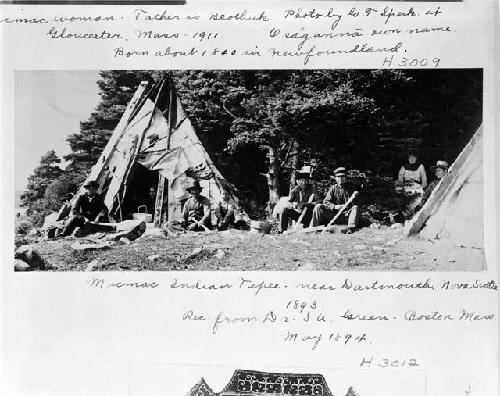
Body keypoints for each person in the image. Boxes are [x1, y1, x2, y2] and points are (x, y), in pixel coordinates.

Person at [309, 167, 359, 234]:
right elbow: (326, 201)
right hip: (334, 214)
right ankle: (312, 229)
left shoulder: (351, 189)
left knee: (355, 207)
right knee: (318, 206)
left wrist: (354, 199)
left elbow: (355, 205)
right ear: (336, 178)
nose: (340, 179)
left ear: (345, 178)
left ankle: (350, 228)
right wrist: (335, 206)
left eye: (342, 177)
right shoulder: (333, 189)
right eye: (338, 177)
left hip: (345, 215)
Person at [275, 168, 319, 233]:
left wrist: (306, 204)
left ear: (308, 181)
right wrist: (292, 205)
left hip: (309, 216)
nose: (304, 183)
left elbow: (319, 202)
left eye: (305, 180)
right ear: (298, 181)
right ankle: (281, 231)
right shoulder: (296, 189)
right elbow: (290, 201)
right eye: (302, 180)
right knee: (284, 210)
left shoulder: (313, 188)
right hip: (299, 214)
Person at [396, 150, 428, 217]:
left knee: (418, 200)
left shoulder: (420, 166)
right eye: (410, 157)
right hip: (407, 187)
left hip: (417, 187)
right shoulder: (404, 167)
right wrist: (401, 187)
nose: (412, 159)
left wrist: (421, 188)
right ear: (408, 158)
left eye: (414, 157)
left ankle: (415, 215)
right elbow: (400, 179)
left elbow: (424, 179)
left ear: (416, 158)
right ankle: (404, 215)